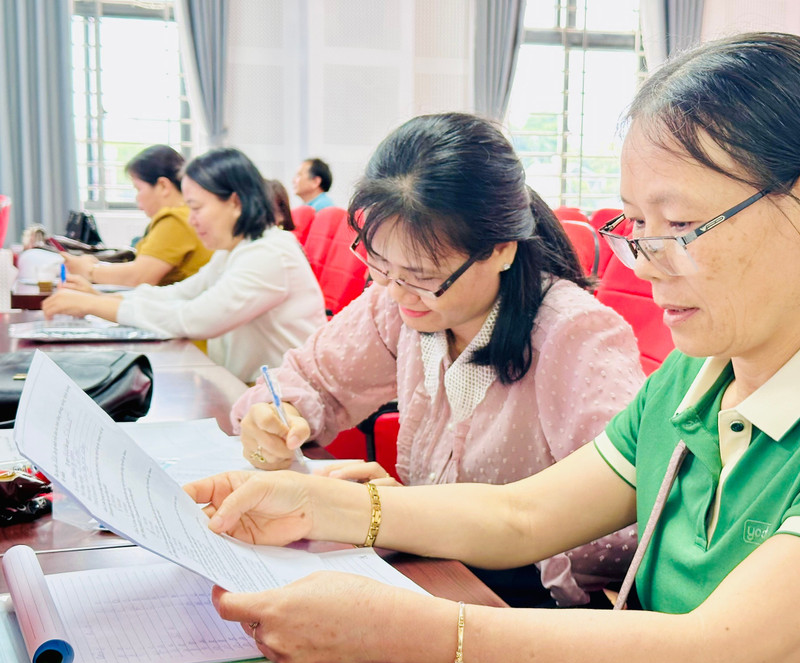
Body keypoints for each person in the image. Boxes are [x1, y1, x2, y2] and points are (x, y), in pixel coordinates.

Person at [186, 32, 800, 663]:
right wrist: (314, 502)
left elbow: (723, 651)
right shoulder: (697, 375)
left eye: (679, 224)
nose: (645, 262)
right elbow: (524, 515)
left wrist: (400, 629)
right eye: (635, 225)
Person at [232, 112, 645, 607]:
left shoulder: (574, 335)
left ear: (501, 250)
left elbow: (626, 526)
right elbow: (309, 379)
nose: (396, 291)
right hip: (430, 571)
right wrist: (276, 418)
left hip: (527, 608)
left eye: (423, 275)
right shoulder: (397, 302)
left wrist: (410, 514)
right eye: (378, 263)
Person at [43, 148, 328, 383]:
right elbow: (178, 294)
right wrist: (104, 299)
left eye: (197, 207)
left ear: (235, 203)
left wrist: (93, 305)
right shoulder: (236, 250)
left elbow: (193, 319)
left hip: (288, 404)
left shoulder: (269, 254)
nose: (191, 219)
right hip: (252, 389)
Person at [62, 145, 213, 286]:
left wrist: (89, 270)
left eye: (139, 189)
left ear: (163, 186)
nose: (137, 198)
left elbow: (139, 276)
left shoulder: (175, 219)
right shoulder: (184, 213)